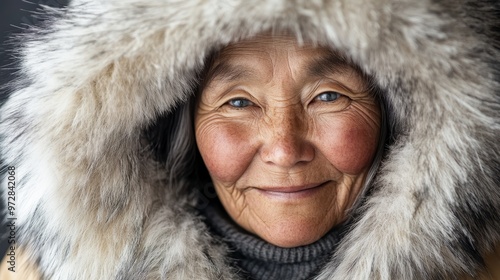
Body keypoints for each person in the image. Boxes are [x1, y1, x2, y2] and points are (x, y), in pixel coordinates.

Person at [0, 1, 499, 279]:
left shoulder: (484, 266)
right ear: (180, 124)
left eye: (328, 96)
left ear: (402, 115)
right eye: (238, 102)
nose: (284, 148)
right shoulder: (37, 272)